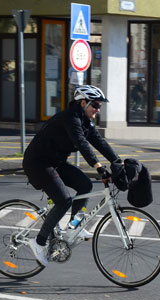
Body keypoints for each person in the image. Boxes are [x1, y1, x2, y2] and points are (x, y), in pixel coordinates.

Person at [22, 85, 121, 266]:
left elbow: (99, 141)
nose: (98, 110)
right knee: (63, 201)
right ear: (83, 103)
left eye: (100, 106)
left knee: (85, 185)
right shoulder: (70, 118)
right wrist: (98, 167)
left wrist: (118, 161)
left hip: (56, 162)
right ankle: (39, 242)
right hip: (38, 163)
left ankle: (74, 226)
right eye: (95, 105)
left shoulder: (85, 121)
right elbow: (81, 143)